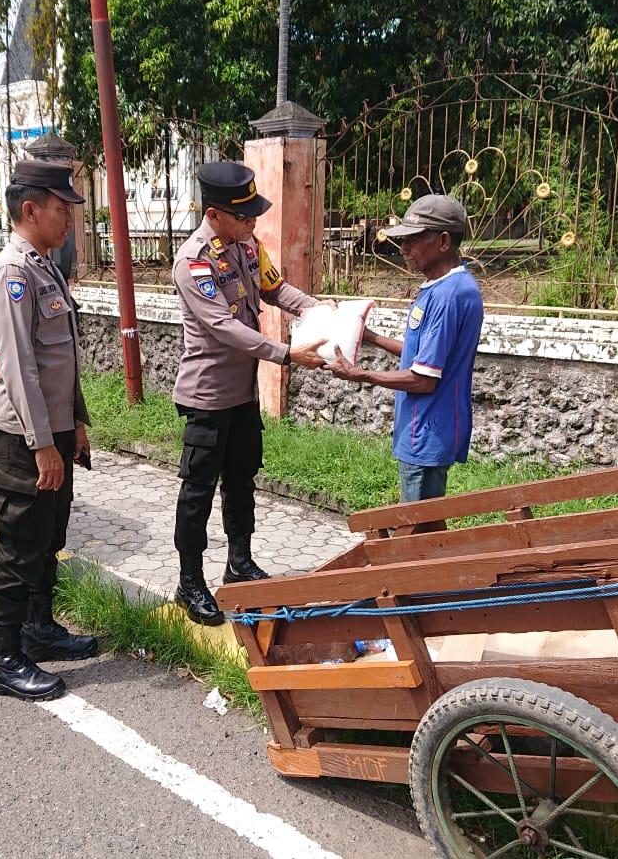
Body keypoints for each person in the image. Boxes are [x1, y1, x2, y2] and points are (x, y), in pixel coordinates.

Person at [169, 161, 327, 626]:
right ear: (215, 214)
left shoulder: (247, 246)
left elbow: (277, 290)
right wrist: (286, 354)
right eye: (244, 216)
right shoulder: (194, 261)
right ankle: (189, 582)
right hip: (207, 397)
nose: (252, 223)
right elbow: (224, 327)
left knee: (242, 480)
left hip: (241, 395)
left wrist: (322, 308)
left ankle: (239, 562)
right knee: (197, 492)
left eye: (254, 215)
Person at [0, 159, 99, 701]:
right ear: (30, 209)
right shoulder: (12, 274)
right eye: (61, 208)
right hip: (24, 439)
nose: (69, 218)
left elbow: (63, 361)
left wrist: (75, 422)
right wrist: (42, 443)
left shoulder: (45, 267)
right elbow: (20, 368)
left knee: (49, 538)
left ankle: (39, 629)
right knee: (19, 544)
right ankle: (4, 659)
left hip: (52, 432)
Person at [326, 194, 484, 503]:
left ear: (443, 241)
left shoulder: (448, 296)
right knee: (426, 528)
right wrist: (370, 337)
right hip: (425, 430)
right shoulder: (445, 288)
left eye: (412, 240)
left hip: (426, 433)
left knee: (415, 532)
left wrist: (360, 375)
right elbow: (423, 356)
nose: (403, 249)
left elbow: (423, 379)